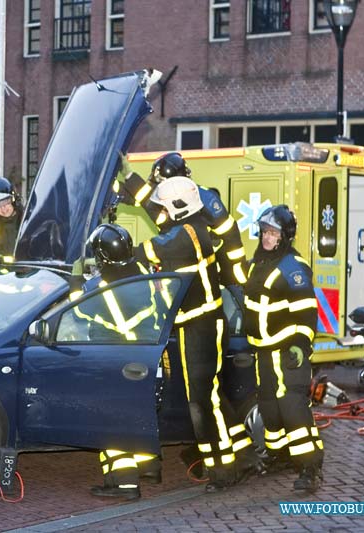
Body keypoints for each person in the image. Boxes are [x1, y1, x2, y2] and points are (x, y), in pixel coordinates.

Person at [133, 176, 248, 492]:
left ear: (177, 207)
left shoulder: (186, 236)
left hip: (202, 328)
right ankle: (236, 458)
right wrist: (128, 181)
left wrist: (115, 254)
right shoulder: (191, 227)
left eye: (165, 207)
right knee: (208, 398)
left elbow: (148, 251)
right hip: (198, 326)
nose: (162, 213)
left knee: (202, 402)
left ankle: (224, 470)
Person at [68, 223, 161, 501]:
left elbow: (76, 309)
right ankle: (148, 468)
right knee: (139, 417)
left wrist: (76, 279)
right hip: (148, 357)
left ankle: (124, 483)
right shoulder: (142, 273)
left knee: (111, 424)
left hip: (115, 360)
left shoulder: (99, 287)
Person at [242, 204, 323, 492]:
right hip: (263, 351)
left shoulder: (293, 267)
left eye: (273, 233)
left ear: (284, 236)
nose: (266, 237)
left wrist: (301, 343)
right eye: (264, 232)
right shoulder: (258, 263)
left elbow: (306, 311)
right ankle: (281, 456)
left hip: (288, 351)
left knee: (293, 409)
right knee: (270, 409)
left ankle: (309, 467)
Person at [117, 152, 248, 287]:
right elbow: (145, 198)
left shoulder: (206, 199)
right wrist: (125, 178)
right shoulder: (173, 200)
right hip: (184, 269)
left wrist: (237, 273)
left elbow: (231, 236)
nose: (159, 192)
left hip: (210, 270)